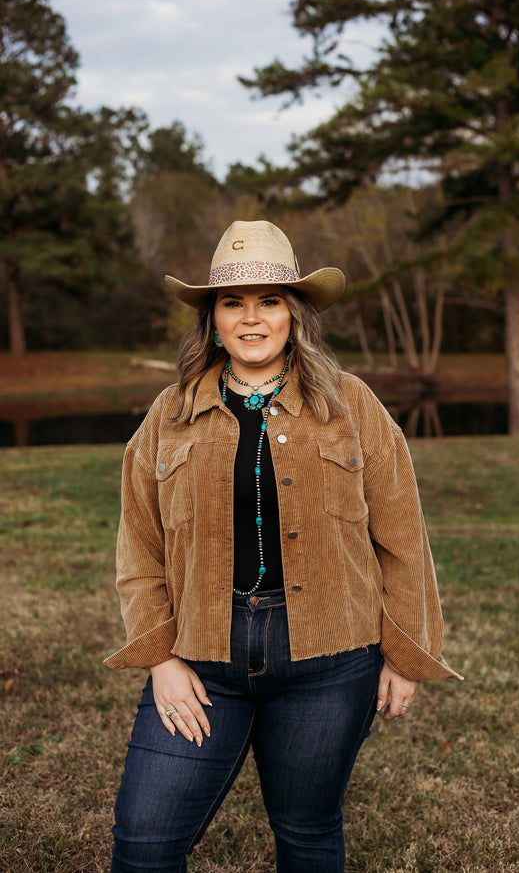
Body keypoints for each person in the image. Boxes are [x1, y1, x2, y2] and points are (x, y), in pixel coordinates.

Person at [105, 220, 462, 873]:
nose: (251, 318)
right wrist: (160, 658)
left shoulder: (351, 404)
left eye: (269, 300)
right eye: (233, 302)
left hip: (330, 663)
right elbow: (139, 546)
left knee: (306, 832)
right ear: (211, 320)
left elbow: (404, 538)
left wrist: (406, 655)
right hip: (202, 659)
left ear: (294, 316)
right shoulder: (169, 414)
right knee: (144, 844)